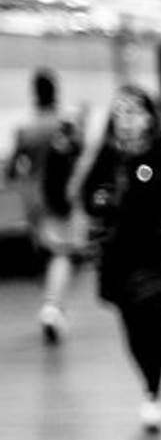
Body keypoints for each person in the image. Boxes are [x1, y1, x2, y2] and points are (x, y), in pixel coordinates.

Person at [74, 86, 161, 430]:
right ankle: (148, 383)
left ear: (150, 118)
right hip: (119, 259)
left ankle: (153, 392)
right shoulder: (106, 158)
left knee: (153, 326)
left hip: (157, 258)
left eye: (134, 114)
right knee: (133, 329)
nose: (126, 122)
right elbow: (86, 196)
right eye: (119, 114)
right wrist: (103, 201)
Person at [8, 68, 86, 343]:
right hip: (60, 197)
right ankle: (52, 306)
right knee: (62, 252)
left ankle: (52, 304)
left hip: (33, 199)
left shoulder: (26, 129)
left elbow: (14, 169)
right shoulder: (66, 123)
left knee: (45, 252)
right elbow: (81, 156)